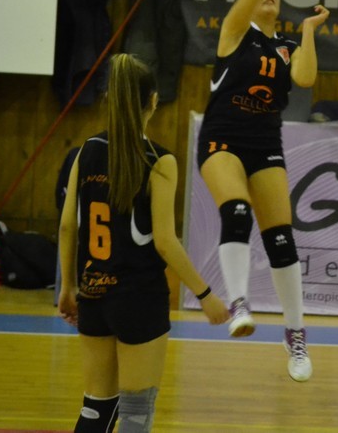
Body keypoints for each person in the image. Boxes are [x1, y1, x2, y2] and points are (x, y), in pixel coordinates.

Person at [58, 53, 229, 433]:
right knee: (136, 414)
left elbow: (68, 226)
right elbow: (165, 242)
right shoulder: (159, 161)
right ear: (153, 101)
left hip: (93, 294)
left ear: (110, 98)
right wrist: (205, 295)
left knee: (95, 409)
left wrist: (68, 287)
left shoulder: (86, 151)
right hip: (139, 299)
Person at [196, 0, 329, 382]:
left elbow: (306, 78)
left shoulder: (287, 47)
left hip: (265, 144)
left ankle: (295, 334)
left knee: (281, 239)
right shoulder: (235, 34)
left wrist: (308, 30)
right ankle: (239, 303)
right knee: (237, 211)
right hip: (222, 140)